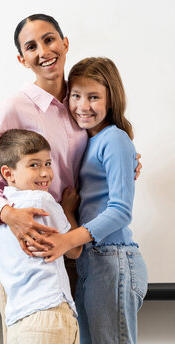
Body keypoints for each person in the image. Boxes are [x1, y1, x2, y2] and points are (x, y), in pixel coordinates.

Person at [31, 57, 148, 344]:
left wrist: (68, 241)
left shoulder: (114, 139)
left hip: (112, 259)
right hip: (93, 262)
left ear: (111, 100)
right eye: (76, 96)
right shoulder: (89, 141)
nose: (83, 106)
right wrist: (69, 212)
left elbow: (120, 211)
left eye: (93, 97)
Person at [0, 128, 82, 344]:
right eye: (34, 165)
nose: (45, 173)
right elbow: (74, 250)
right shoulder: (42, 201)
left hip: (18, 322)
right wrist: (69, 211)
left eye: (47, 163)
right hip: (49, 313)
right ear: (8, 173)